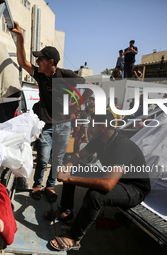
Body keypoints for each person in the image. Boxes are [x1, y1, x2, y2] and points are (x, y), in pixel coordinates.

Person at [9, 21, 92, 202]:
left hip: (63, 125)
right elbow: (22, 62)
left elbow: (91, 88)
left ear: (50, 62)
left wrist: (76, 106)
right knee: (44, 157)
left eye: (40, 59)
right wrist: (20, 37)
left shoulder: (66, 75)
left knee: (58, 158)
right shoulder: (40, 74)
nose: (37, 61)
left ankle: (51, 186)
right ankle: (38, 184)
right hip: (45, 123)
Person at [49, 111, 151, 251]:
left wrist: (70, 178)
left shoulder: (122, 145)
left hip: (133, 188)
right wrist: (68, 167)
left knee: (95, 195)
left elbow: (107, 185)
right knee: (72, 169)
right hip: (113, 177)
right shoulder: (99, 141)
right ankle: (66, 212)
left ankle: (74, 238)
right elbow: (78, 155)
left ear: (103, 126)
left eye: (92, 125)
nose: (89, 129)